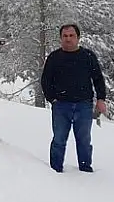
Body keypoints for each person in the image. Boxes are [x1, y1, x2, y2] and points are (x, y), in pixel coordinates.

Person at [40, 24, 107, 173]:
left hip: (84, 106)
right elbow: (45, 81)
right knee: (59, 140)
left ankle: (85, 170)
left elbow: (98, 79)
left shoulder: (88, 56)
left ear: (78, 38)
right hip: (61, 106)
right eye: (65, 36)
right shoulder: (54, 58)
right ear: (60, 38)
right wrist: (53, 100)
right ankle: (54, 172)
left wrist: (101, 99)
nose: (68, 39)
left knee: (84, 141)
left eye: (71, 36)